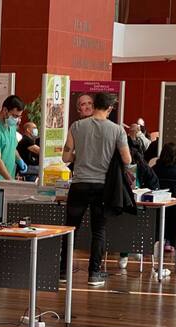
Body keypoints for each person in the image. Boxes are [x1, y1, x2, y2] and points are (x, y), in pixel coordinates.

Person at [60, 92, 132, 286]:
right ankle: (94, 273)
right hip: (103, 187)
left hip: (79, 185)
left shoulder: (76, 126)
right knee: (99, 230)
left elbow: (65, 157)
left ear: (94, 105)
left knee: (70, 228)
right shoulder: (117, 130)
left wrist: (80, 156)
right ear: (109, 108)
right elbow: (127, 159)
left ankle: (63, 272)